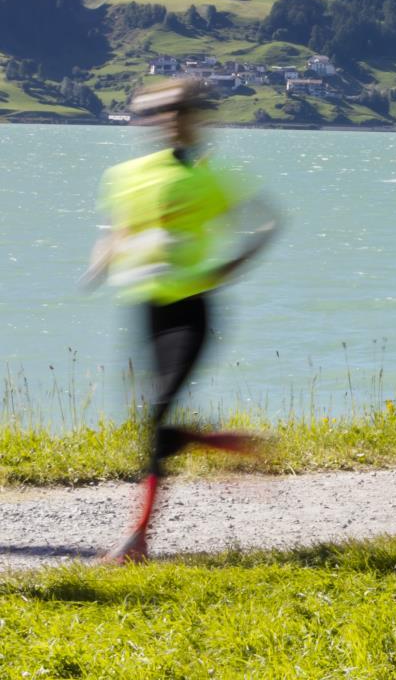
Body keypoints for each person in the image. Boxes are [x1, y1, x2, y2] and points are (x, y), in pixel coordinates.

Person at [83, 79, 280, 564]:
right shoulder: (126, 175)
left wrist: (232, 266)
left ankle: (138, 541)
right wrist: (101, 259)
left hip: (191, 307)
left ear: (195, 118)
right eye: (158, 112)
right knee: (155, 421)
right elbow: (118, 228)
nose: (168, 119)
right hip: (146, 305)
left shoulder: (211, 176)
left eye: (177, 110)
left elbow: (268, 222)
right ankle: (223, 443)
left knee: (156, 415)